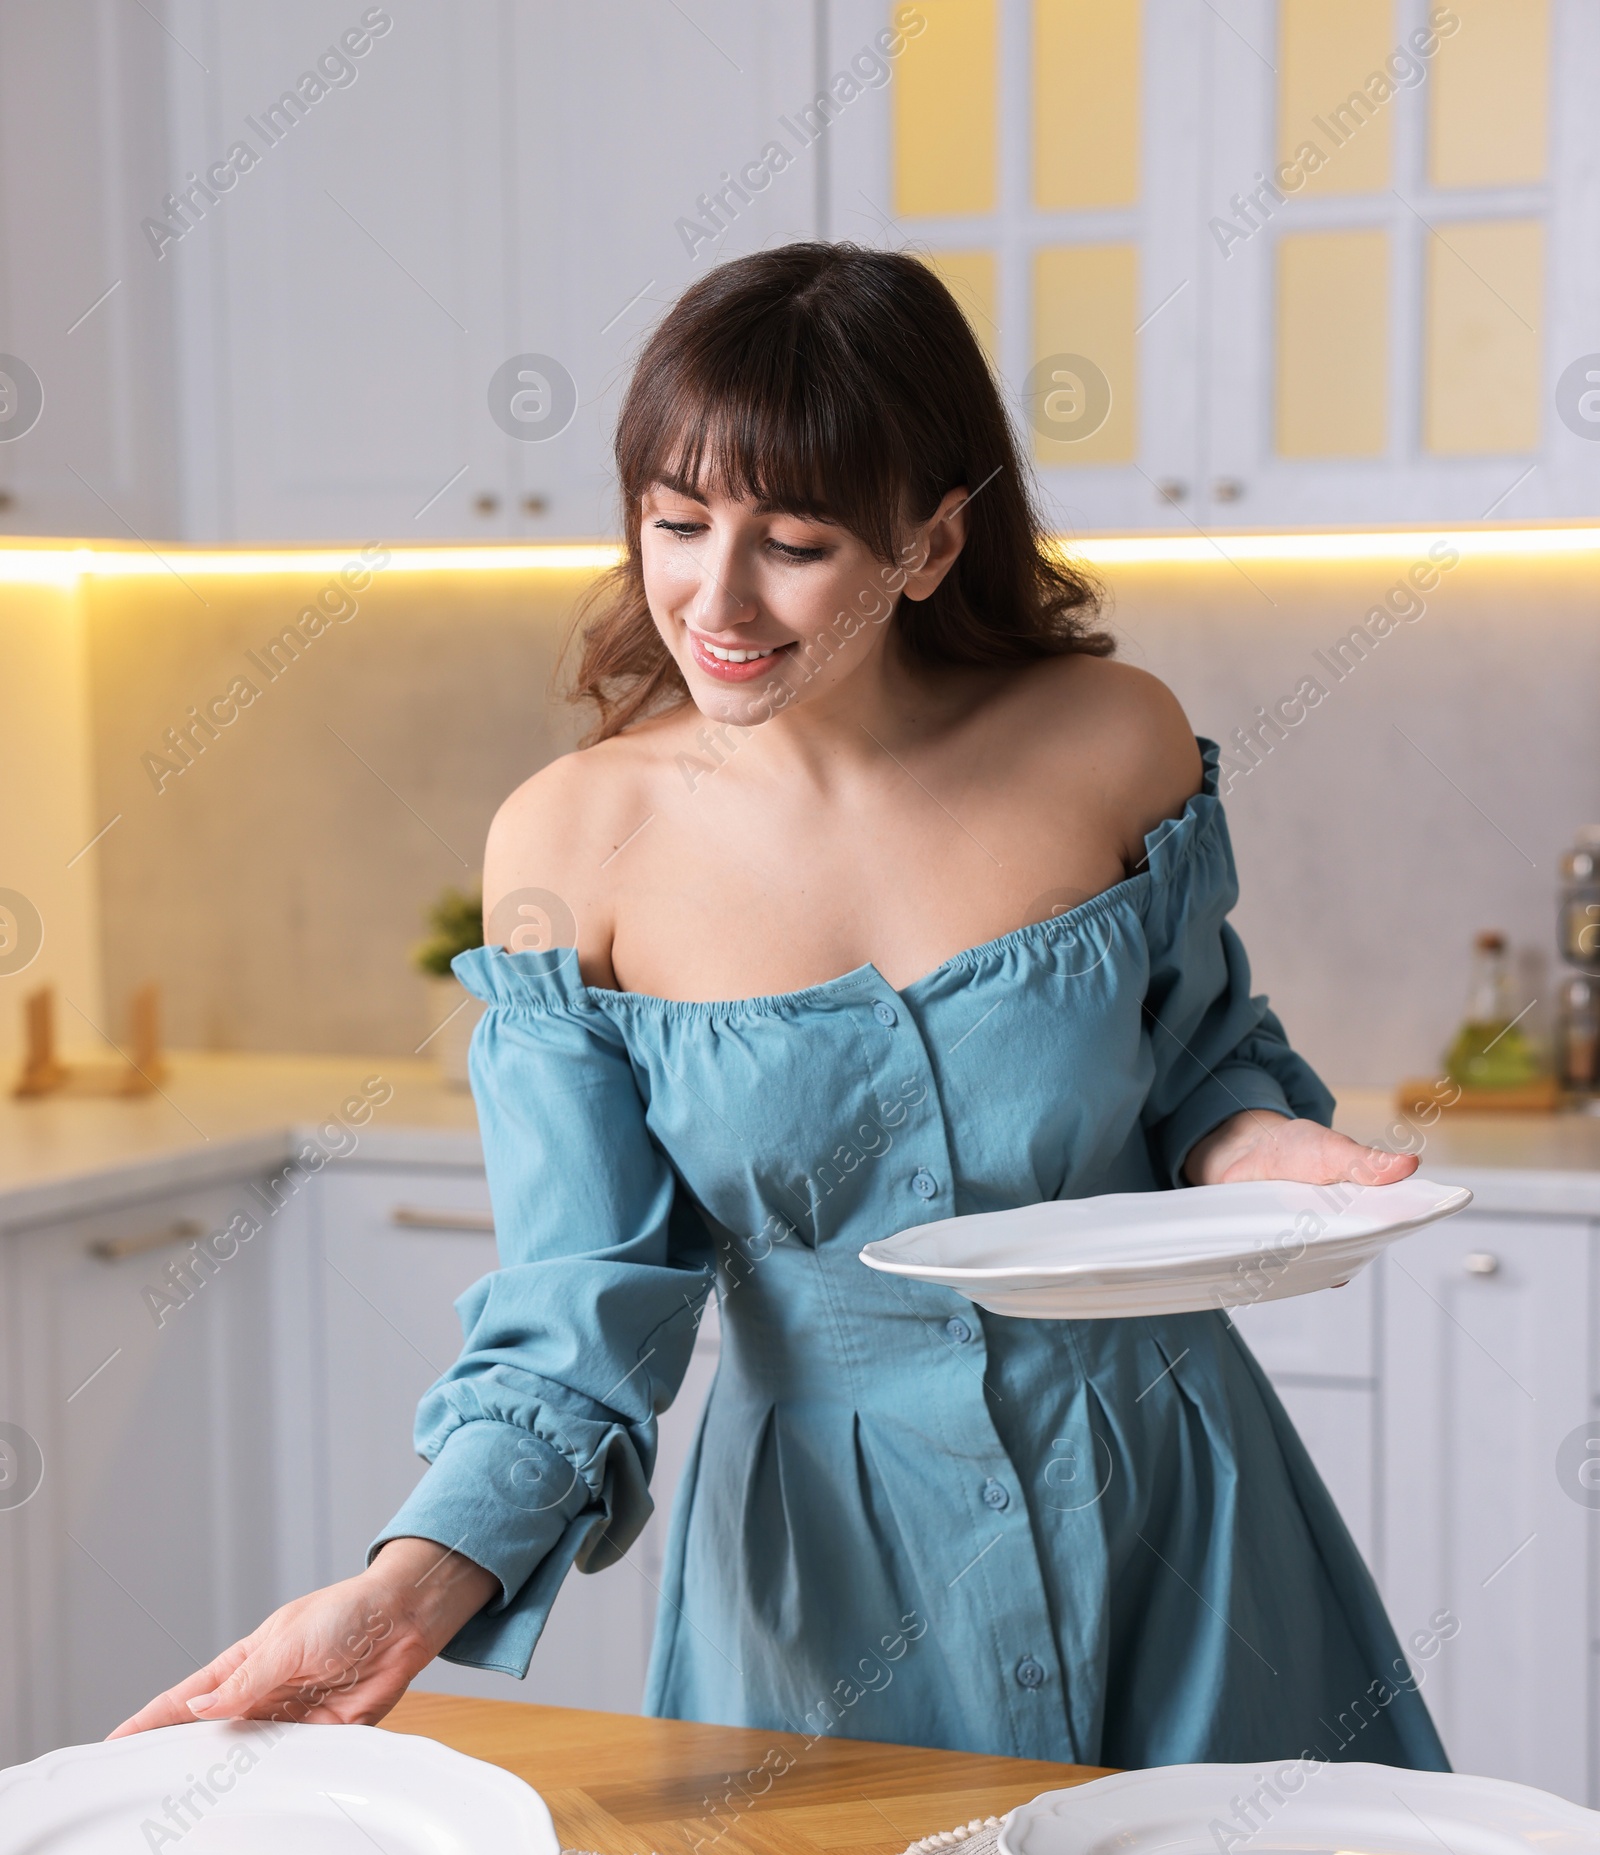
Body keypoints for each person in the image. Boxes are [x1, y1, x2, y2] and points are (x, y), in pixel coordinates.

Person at [117, 243, 1446, 1771]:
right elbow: (577, 1318)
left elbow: (1204, 1067)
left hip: (1172, 1496)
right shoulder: (570, 847)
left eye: (796, 541)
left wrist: (1259, 1146)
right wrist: (405, 1593)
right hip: (824, 1568)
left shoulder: (1111, 741)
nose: (716, 596)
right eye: (676, 523)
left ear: (931, 545)